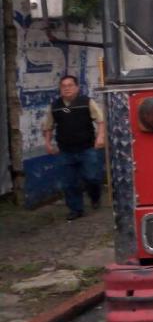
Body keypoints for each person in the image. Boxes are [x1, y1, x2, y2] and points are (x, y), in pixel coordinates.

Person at [43, 75, 106, 220]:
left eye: (70, 85)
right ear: (60, 89)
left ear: (77, 87)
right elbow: (48, 126)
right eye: (63, 86)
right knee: (69, 183)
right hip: (65, 150)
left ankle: (95, 196)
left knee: (92, 177)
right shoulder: (55, 106)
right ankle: (76, 210)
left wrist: (100, 136)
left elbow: (100, 120)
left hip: (87, 148)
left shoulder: (86, 102)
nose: (67, 88)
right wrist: (47, 143)